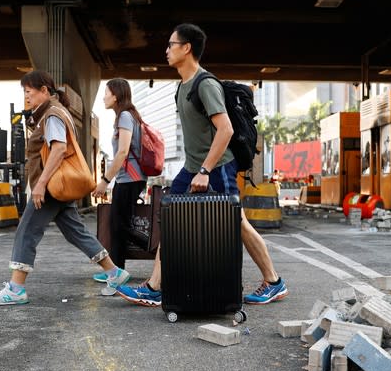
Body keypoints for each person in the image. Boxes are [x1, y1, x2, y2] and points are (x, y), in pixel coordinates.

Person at [116, 23, 288, 307]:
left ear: (187, 48)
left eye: (171, 44)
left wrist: (206, 171)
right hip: (193, 166)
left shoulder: (204, 84)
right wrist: (197, 169)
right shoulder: (181, 86)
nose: (167, 50)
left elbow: (226, 130)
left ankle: (273, 281)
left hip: (217, 166)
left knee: (239, 224)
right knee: (170, 219)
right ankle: (154, 287)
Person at [0, 70, 130, 305]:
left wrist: (40, 184)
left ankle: (16, 288)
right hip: (59, 185)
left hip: (51, 185)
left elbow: (59, 149)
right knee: (76, 232)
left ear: (44, 91)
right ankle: (114, 272)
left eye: (29, 92)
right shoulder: (53, 113)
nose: (27, 97)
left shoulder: (51, 115)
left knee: (27, 231)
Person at [90, 78, 147, 283]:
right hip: (130, 178)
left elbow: (122, 151)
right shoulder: (127, 115)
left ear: (116, 95)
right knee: (118, 225)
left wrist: (105, 180)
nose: (104, 97)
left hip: (129, 179)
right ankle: (115, 270)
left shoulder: (124, 116)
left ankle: (156, 249)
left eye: (106, 92)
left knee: (118, 225)